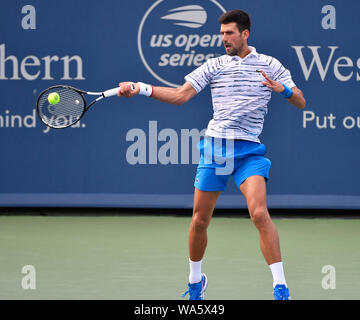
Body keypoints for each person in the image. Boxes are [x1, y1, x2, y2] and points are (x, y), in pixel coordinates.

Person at [118, 9, 306, 300]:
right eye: (222, 34)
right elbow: (181, 96)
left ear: (245, 34)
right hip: (216, 150)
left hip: (248, 152)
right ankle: (196, 282)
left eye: (229, 34)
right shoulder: (214, 65)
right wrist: (141, 88)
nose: (224, 39)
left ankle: (280, 287)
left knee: (258, 214)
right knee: (199, 220)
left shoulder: (270, 64)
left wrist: (282, 90)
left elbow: (300, 101)